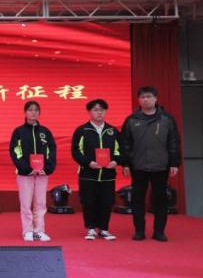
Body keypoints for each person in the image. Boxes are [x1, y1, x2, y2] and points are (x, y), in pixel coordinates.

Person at [119, 86, 181, 242]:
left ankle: (159, 231)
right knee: (137, 199)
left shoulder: (167, 119)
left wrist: (174, 162)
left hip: (161, 165)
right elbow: (125, 143)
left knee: (160, 199)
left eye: (149, 97)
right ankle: (139, 231)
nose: (146, 100)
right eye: (142, 97)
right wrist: (125, 163)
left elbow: (173, 142)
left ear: (155, 99)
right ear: (139, 100)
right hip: (138, 166)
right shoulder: (132, 120)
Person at [71, 99, 122, 241]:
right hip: (88, 173)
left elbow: (120, 150)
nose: (99, 113)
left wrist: (115, 161)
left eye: (102, 110)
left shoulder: (113, 131)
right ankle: (91, 228)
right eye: (95, 110)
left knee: (107, 201)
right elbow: (76, 151)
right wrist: (88, 163)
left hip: (108, 174)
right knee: (88, 201)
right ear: (89, 112)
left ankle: (104, 229)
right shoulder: (82, 130)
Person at [9, 100, 57, 242]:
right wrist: (26, 168)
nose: (33, 112)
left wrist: (47, 168)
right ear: (25, 112)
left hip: (42, 174)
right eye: (30, 110)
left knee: (40, 203)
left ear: (39, 113)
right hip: (25, 174)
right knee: (25, 204)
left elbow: (51, 151)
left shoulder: (45, 132)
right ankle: (28, 231)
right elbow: (15, 151)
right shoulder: (19, 132)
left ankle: (39, 231)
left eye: (36, 110)